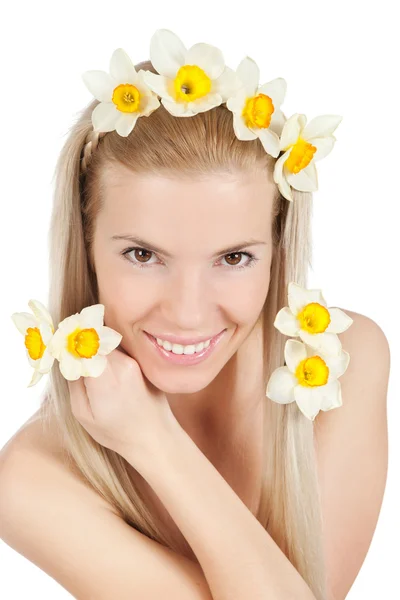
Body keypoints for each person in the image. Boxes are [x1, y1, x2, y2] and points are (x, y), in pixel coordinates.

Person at [0, 29, 390, 600]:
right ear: (84, 248)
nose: (187, 313)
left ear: (277, 249)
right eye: (143, 255)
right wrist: (148, 441)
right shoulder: (32, 480)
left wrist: (156, 440)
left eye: (233, 258)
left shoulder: (342, 362)